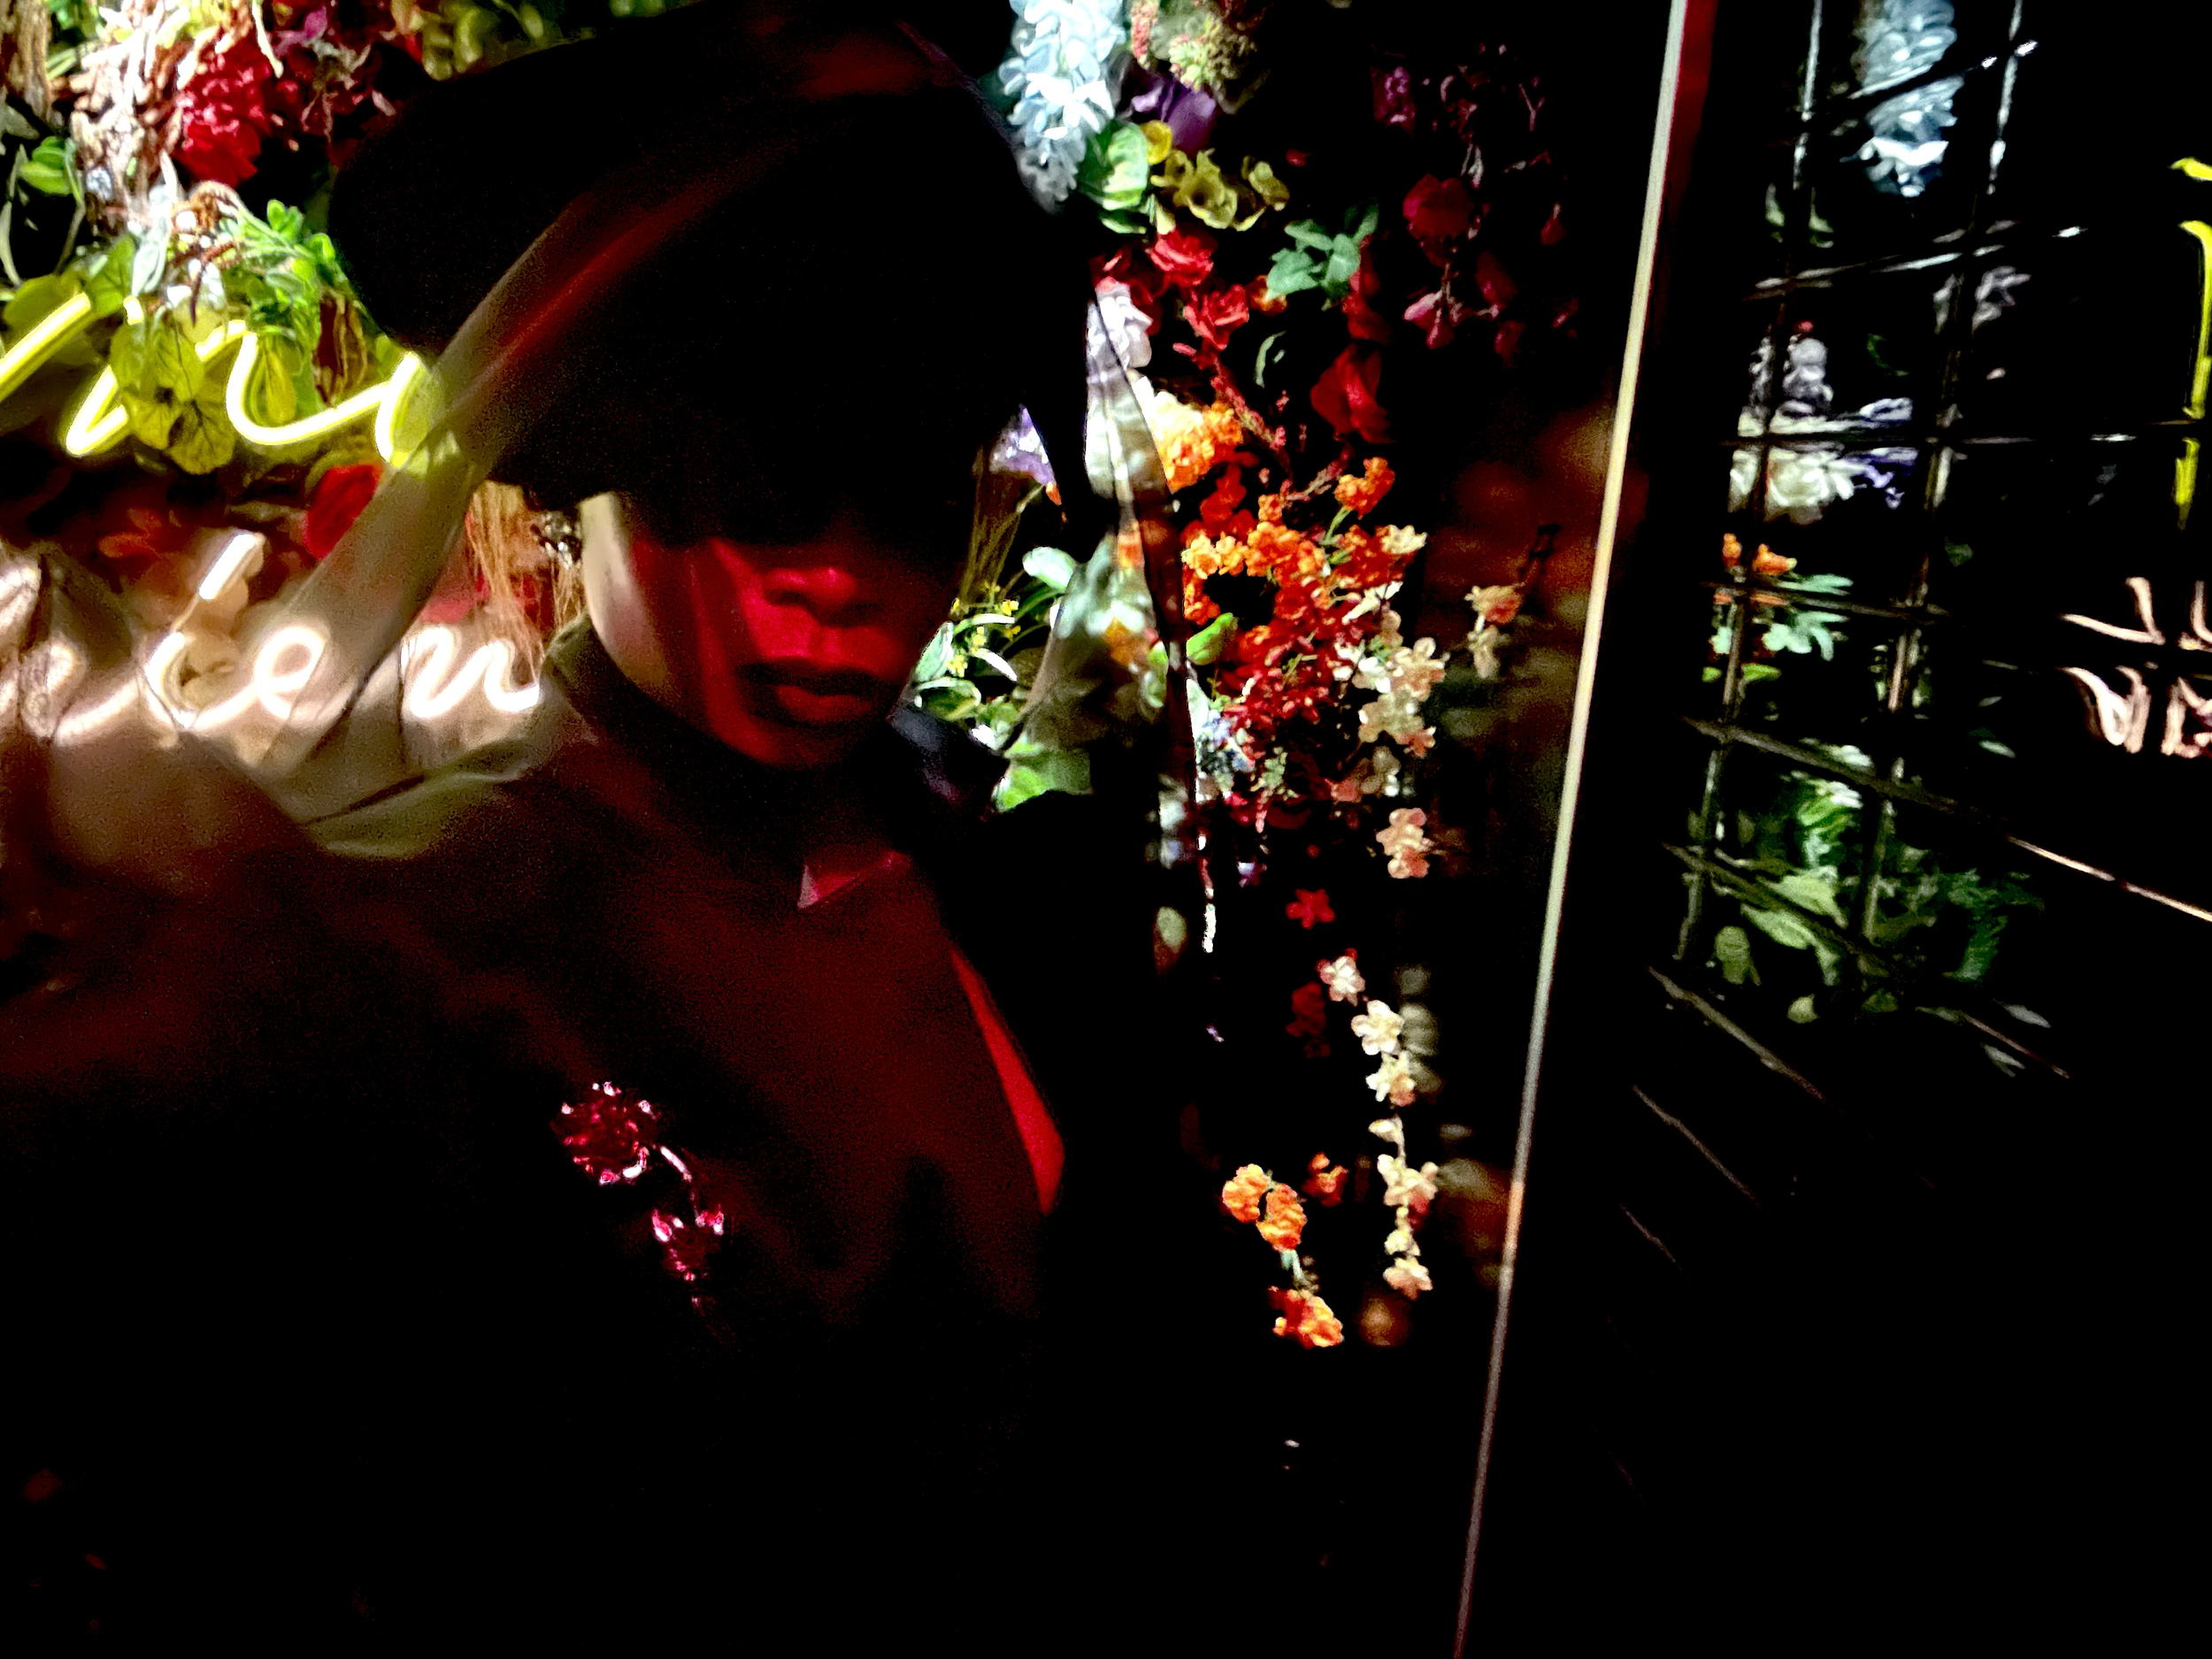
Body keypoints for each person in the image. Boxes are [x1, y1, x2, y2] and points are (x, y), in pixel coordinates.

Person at [1, 4, 1187, 1645]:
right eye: (753, 481)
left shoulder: (995, 880)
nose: (837, 578)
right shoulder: (414, 934)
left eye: (908, 496)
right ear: (587, 466)